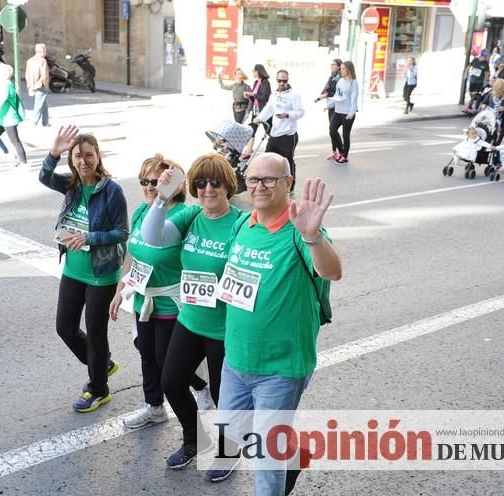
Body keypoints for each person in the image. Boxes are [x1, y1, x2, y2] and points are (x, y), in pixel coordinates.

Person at [213, 152, 342, 495]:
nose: (259, 186)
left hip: (281, 367)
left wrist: (313, 237)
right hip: (236, 359)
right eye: (253, 179)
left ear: (288, 183)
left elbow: (332, 271)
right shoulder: (244, 224)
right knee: (231, 430)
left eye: (269, 179)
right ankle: (295, 454)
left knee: (267, 461)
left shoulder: (300, 227)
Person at [137, 153, 241, 472]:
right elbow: (152, 237)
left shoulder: (239, 223)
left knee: (226, 398)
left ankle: (229, 450)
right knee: (171, 382)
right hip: (191, 319)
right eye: (200, 182)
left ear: (227, 185)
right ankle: (195, 440)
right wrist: (162, 197)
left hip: (224, 328)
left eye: (215, 181)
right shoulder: (191, 217)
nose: (208, 188)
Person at [39, 125, 129, 412]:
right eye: (77, 156)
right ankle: (101, 363)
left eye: (88, 155)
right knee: (64, 327)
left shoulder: (112, 190)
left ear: (98, 156)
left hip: (101, 274)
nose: (83, 161)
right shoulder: (72, 186)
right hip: (74, 270)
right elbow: (44, 176)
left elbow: (121, 232)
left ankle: (98, 388)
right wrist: (53, 152)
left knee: (96, 332)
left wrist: (90, 237)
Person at [109, 154, 190, 429]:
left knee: (170, 364)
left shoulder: (182, 215)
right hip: (144, 299)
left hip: (171, 301)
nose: (148, 187)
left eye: (156, 181)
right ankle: (154, 407)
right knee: (148, 356)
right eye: (144, 181)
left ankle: (200, 400)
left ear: (175, 183)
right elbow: (132, 254)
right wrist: (120, 290)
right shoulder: (144, 211)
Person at [254, 70, 305, 189]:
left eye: (284, 81)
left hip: (288, 134)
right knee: (268, 159)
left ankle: (290, 185)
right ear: (276, 80)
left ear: (288, 81)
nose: (282, 83)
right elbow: (268, 109)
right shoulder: (274, 95)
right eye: (279, 81)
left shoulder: (294, 95)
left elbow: (301, 112)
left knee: (287, 162)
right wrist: (258, 118)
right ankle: (267, 182)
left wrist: (287, 115)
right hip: (274, 133)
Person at [0, 63, 28, 167]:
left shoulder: (7, 85)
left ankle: (24, 163)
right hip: (1, 118)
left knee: (15, 140)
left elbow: (0, 100)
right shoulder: (2, 84)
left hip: (9, 118)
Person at [329, 61, 359, 165]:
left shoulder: (353, 82)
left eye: (343, 68)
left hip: (347, 113)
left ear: (348, 70)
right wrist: (330, 104)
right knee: (332, 131)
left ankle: (344, 157)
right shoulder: (340, 81)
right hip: (338, 111)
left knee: (346, 135)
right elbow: (337, 95)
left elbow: (354, 99)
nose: (341, 70)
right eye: (340, 68)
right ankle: (341, 151)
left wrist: (351, 113)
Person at [240, 64, 272, 158]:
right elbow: (255, 98)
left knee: (269, 131)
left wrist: (252, 94)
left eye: (253, 70)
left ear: (258, 71)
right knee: (252, 130)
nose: (252, 72)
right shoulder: (255, 82)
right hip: (256, 109)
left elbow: (265, 97)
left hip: (264, 111)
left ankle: (274, 149)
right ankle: (248, 152)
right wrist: (250, 96)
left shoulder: (265, 82)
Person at [313, 59, 342, 159]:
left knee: (333, 130)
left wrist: (325, 96)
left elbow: (337, 93)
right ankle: (334, 152)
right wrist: (321, 97)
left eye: (333, 64)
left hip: (337, 106)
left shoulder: (340, 78)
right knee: (332, 130)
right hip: (330, 104)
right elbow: (327, 89)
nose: (331, 66)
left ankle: (341, 152)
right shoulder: (332, 77)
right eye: (331, 64)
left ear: (339, 66)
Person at [480, 78, 504, 146]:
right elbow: (484, 103)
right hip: (491, 122)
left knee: (496, 143)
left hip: (503, 123)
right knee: (487, 141)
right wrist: (484, 107)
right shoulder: (491, 94)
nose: (499, 93)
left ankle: (495, 154)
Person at [26, 43, 50, 127]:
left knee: (44, 104)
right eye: (45, 51)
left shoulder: (29, 60)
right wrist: (42, 84)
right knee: (39, 104)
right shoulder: (43, 61)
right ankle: (34, 122)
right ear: (42, 51)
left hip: (33, 84)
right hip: (40, 85)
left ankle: (45, 122)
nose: (46, 53)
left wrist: (29, 86)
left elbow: (27, 74)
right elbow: (44, 75)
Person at [463, 50, 490, 114]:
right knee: (471, 93)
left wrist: (486, 81)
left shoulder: (485, 63)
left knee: (475, 93)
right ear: (481, 56)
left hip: (479, 81)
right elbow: (468, 66)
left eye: (486, 57)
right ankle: (473, 104)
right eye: (485, 57)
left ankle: (472, 107)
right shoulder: (475, 60)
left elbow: (487, 73)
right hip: (472, 80)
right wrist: (465, 74)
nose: (485, 58)